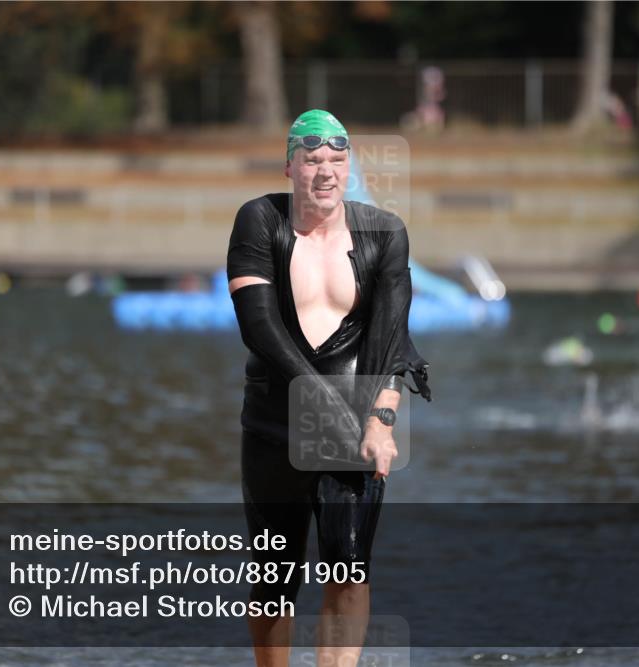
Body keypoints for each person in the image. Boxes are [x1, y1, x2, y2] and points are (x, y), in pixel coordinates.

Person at [227, 109, 431, 667]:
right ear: (290, 165)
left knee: (349, 564)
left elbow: (393, 339)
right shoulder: (259, 220)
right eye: (312, 159)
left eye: (337, 161)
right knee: (275, 577)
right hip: (273, 423)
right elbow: (259, 328)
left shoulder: (383, 233)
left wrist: (382, 418)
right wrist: (321, 402)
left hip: (359, 422)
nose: (325, 171)